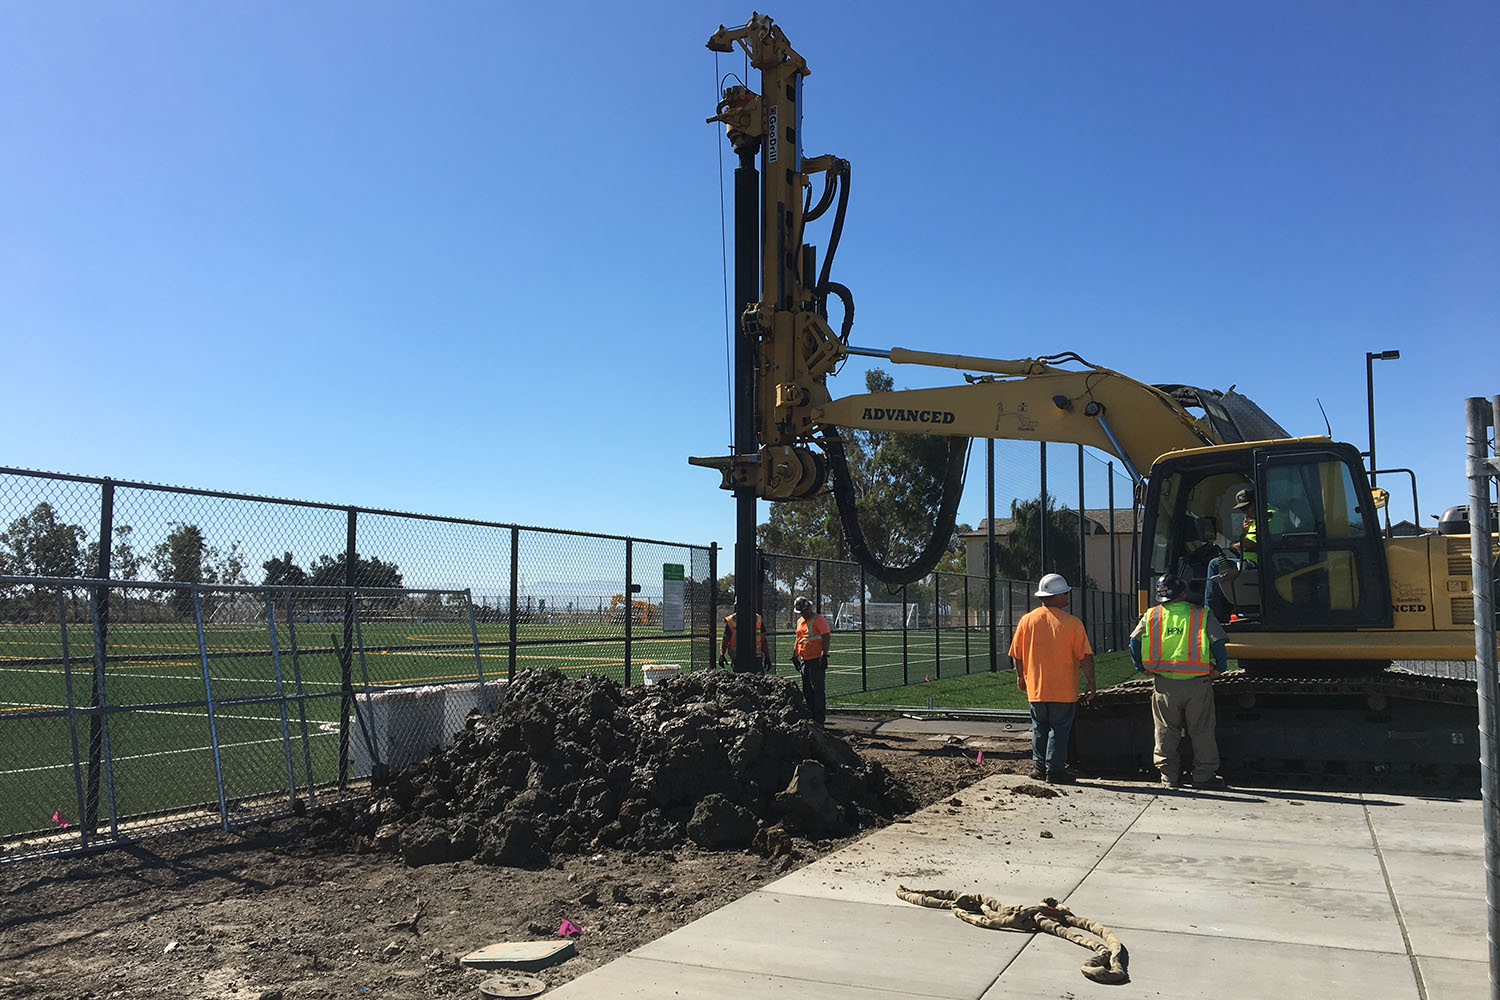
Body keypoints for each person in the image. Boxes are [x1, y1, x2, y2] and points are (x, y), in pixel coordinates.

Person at [1130, 574, 1229, 789]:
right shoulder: (1201, 615)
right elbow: (1218, 642)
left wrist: (1141, 667)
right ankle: (1203, 776)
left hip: (1165, 684)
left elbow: (1134, 642)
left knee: (1165, 730)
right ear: (1183, 593)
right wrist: (1220, 668)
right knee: (1201, 730)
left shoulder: (1151, 615)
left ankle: (1169, 777)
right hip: (1197, 684)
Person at [1009, 573, 1096, 784]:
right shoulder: (1073, 624)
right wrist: (1091, 681)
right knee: (1059, 729)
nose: (1067, 596)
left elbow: (1016, 655)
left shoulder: (1027, 621)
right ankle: (1055, 770)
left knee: (1039, 728)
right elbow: (1084, 657)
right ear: (1056, 596)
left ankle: (1039, 768)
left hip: (1037, 689)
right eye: (1065, 593)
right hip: (1064, 690)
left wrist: (1021, 677)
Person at [1204, 487, 1259, 620]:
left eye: (1247, 507)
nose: (1244, 511)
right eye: (1242, 509)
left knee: (1215, 565)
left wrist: (1233, 545)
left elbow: (1252, 545)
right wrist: (1245, 532)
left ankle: (1213, 616)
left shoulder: (1269, 515)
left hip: (1257, 565)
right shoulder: (1253, 520)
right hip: (1250, 563)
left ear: (1257, 503)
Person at [791, 596, 831, 725]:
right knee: (807, 690)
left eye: (804, 611)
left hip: (815, 660)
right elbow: (799, 639)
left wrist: (824, 655)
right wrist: (795, 656)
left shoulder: (819, 620)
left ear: (809, 608)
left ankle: (819, 719)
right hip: (805, 660)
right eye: (801, 612)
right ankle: (811, 716)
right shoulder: (800, 622)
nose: (802, 614)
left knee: (817, 689)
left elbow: (826, 637)